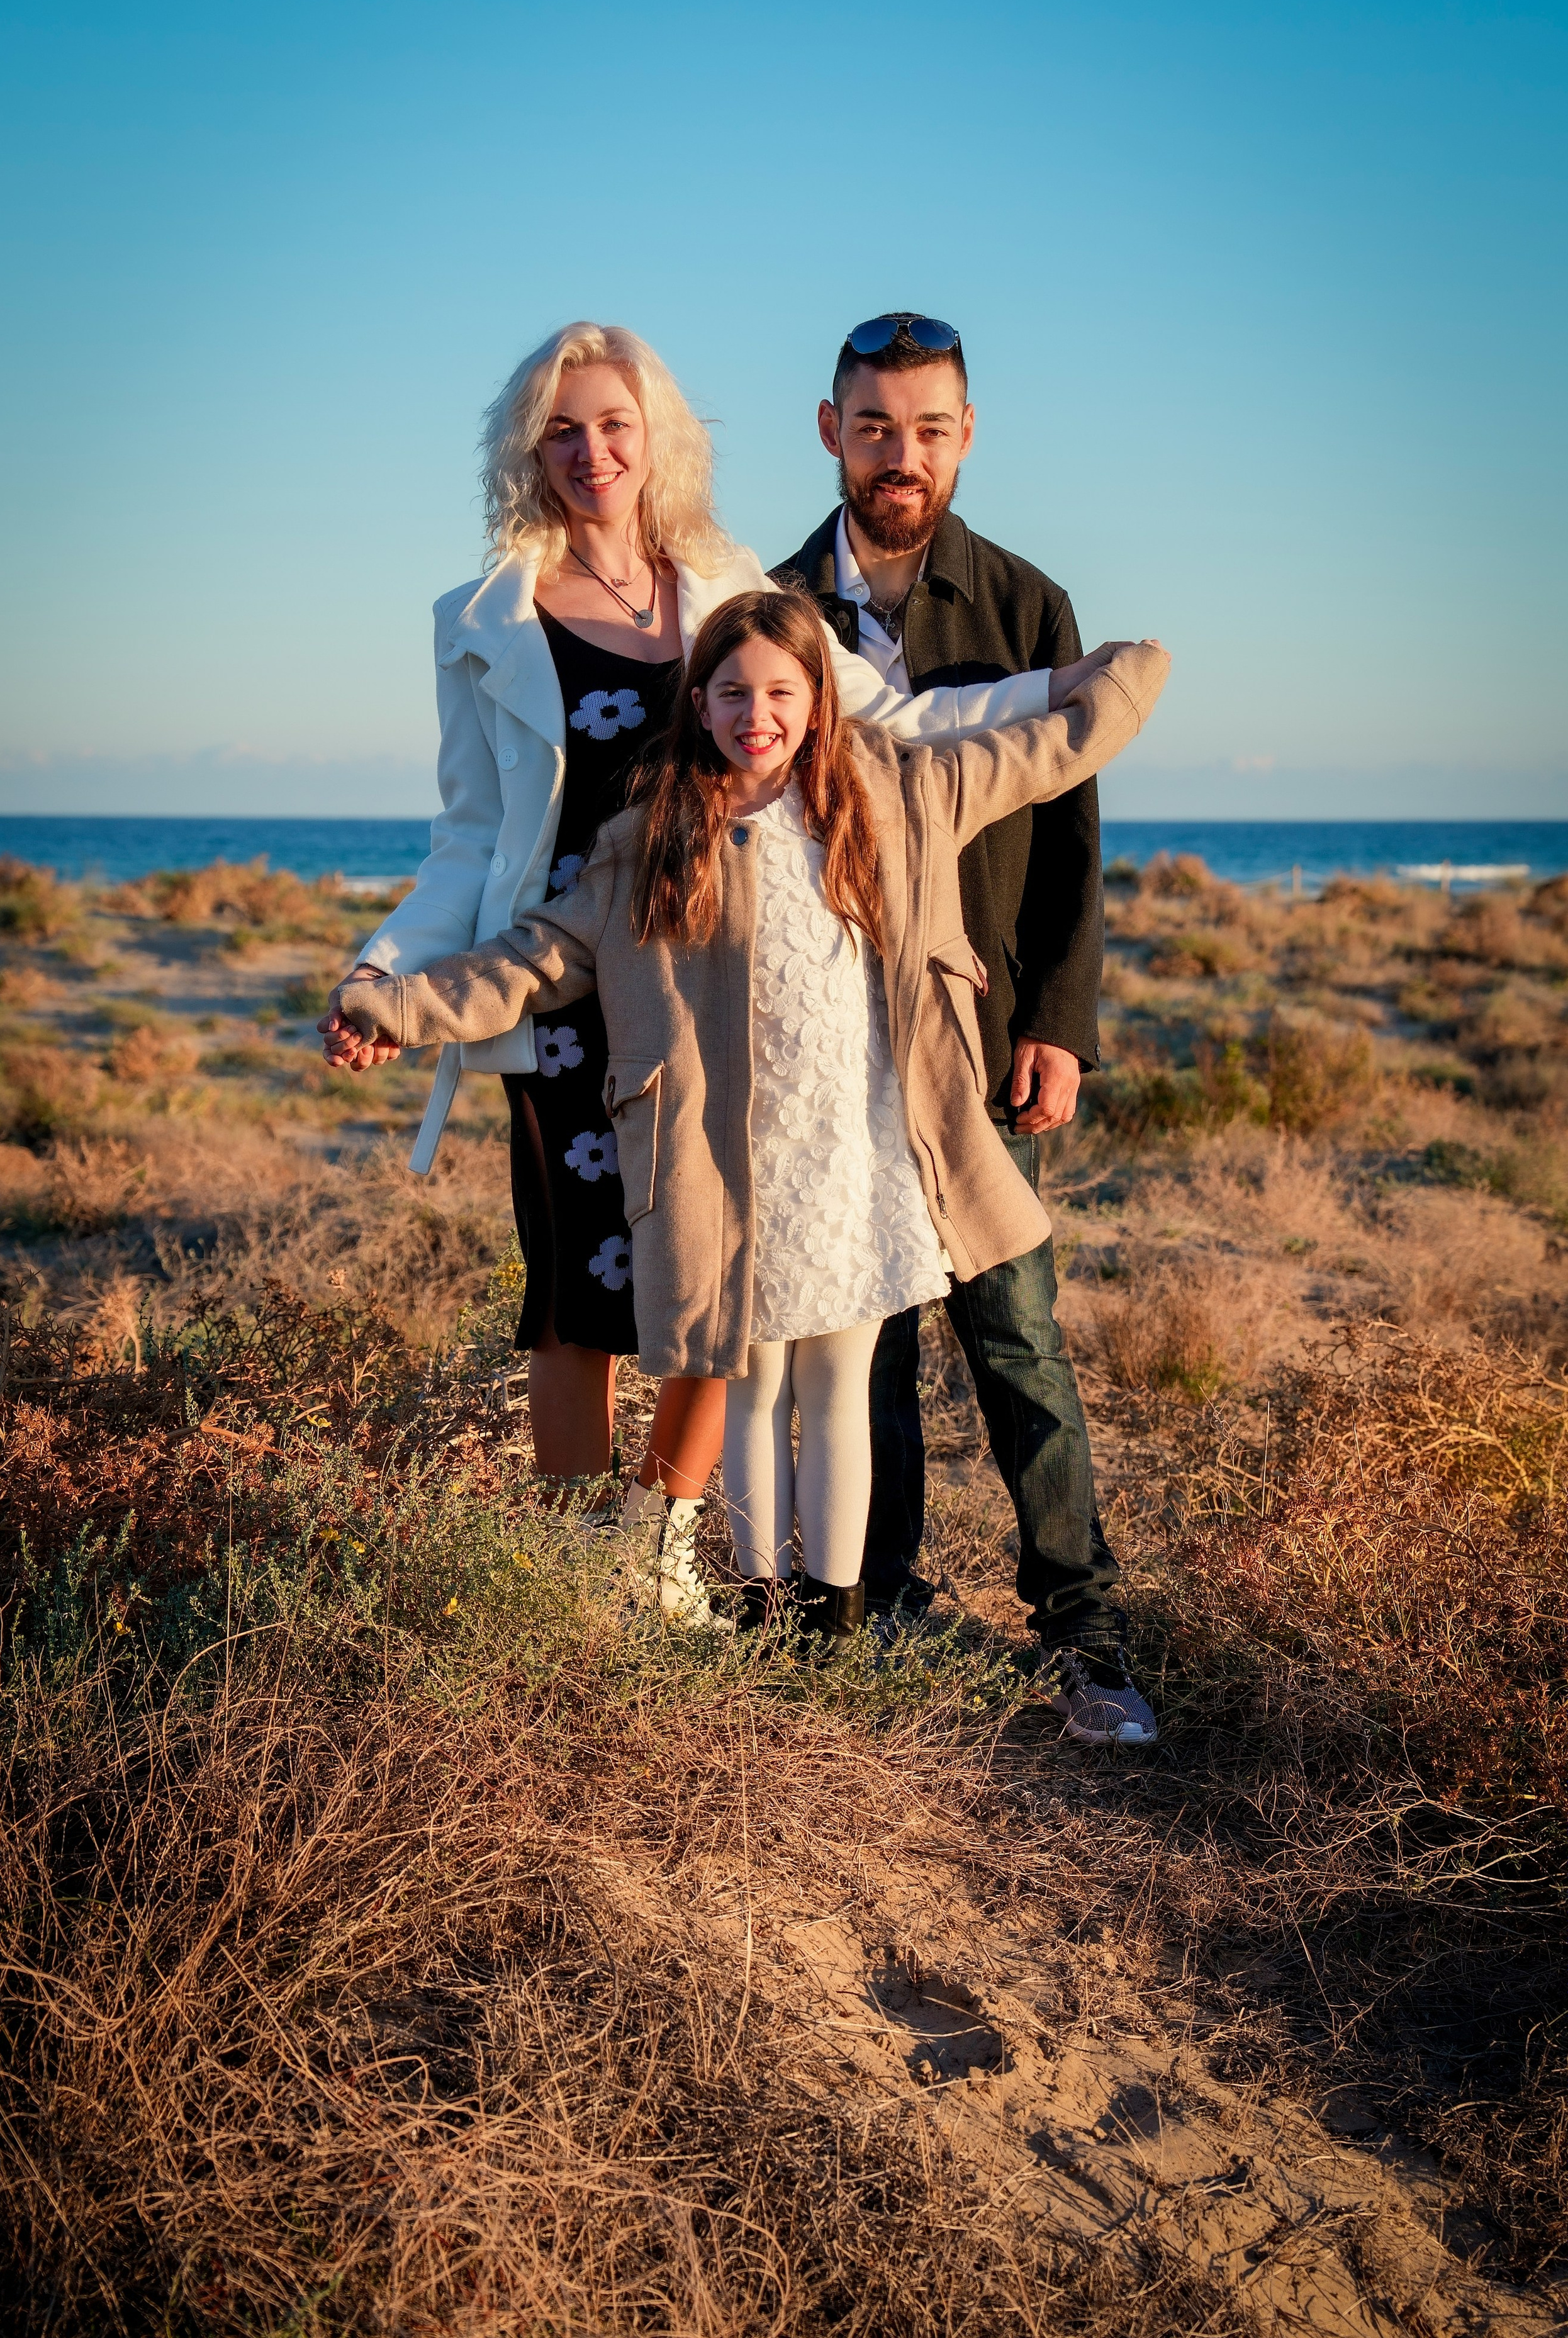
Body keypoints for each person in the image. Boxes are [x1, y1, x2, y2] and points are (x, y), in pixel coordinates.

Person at [332, 322, 1078, 1621]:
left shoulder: (719, 579)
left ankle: (667, 1558)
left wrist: (1070, 693)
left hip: (698, 982)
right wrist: (384, 969)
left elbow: (877, 724)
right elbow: (466, 835)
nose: (589, 451)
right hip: (560, 983)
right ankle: (570, 1571)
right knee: (576, 1295)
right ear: (528, 451)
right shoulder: (482, 619)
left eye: (611, 424)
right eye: (560, 431)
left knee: (714, 1259)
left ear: (653, 434)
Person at [321, 589, 1170, 1651]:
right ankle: (766, 1604)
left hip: (861, 1150)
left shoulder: (904, 791)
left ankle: (836, 1612)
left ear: (820, 699)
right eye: (731, 692)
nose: (755, 713)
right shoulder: (651, 843)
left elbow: (1052, 750)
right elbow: (537, 958)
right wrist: (395, 1006)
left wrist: (1133, 667)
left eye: (780, 689)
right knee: (753, 1382)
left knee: (839, 1383)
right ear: (700, 703)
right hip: (729, 1162)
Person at [773, 313, 1155, 1745]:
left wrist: (1057, 1022)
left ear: (966, 435)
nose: (900, 455)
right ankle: (872, 1603)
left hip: (985, 1040)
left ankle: (1081, 1621)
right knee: (857, 1337)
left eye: (928, 429)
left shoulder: (1024, 604)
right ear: (829, 430)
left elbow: (1071, 836)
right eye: (874, 427)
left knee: (1014, 1331)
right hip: (830, 1045)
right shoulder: (767, 609)